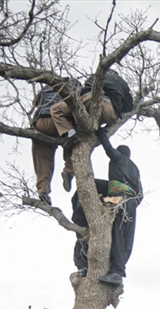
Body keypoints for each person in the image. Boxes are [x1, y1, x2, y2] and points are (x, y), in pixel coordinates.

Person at [50, 69, 134, 192]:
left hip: (92, 103)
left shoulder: (98, 76)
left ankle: (70, 134)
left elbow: (82, 91)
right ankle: (69, 171)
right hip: (111, 115)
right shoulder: (123, 84)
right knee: (82, 136)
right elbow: (130, 106)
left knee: (56, 110)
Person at [93, 126, 142, 285]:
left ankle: (117, 272)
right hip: (131, 202)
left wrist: (101, 132)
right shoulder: (135, 169)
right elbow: (141, 195)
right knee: (127, 238)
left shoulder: (119, 159)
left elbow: (108, 148)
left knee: (117, 234)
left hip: (120, 199)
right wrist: (130, 203)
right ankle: (118, 269)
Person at [29, 81, 71, 204]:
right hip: (60, 123)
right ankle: (69, 171)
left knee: (43, 157)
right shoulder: (74, 85)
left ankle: (43, 190)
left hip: (41, 123)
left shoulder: (47, 86)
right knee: (75, 142)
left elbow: (35, 102)